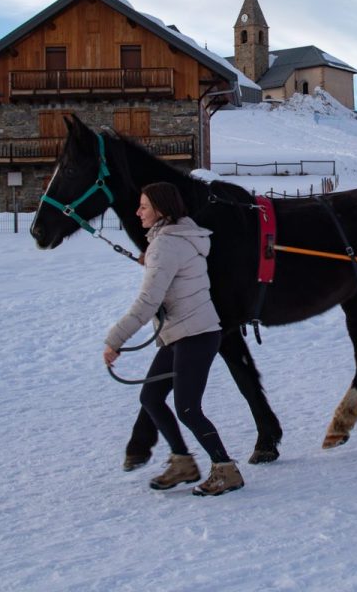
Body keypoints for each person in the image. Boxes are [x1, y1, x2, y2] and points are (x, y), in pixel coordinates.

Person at [102, 181, 244, 496]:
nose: (137, 212)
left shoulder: (165, 245)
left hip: (195, 333)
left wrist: (115, 340)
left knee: (188, 408)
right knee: (151, 397)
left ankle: (226, 470)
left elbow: (148, 302)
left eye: (144, 207)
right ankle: (183, 463)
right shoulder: (176, 237)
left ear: (161, 210)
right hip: (181, 332)